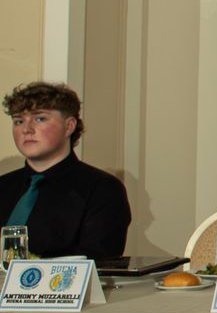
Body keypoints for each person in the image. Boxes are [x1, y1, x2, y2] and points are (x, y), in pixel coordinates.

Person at [2, 80, 131, 260]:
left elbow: (97, 262)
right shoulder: (3, 186)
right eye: (18, 121)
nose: (26, 129)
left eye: (40, 119)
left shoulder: (102, 189)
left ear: (69, 126)